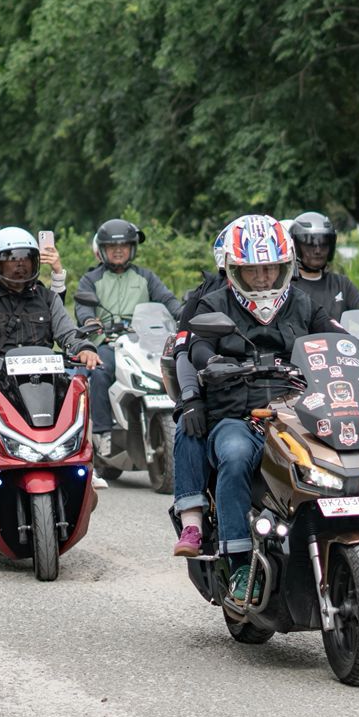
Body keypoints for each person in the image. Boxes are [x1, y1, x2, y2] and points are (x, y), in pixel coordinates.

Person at [173, 214, 340, 603]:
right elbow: (195, 347)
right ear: (234, 271)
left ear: (285, 267)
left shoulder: (303, 303)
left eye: (271, 268)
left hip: (299, 413)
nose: (263, 278)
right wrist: (208, 365)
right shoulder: (212, 304)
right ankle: (240, 562)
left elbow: (336, 334)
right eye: (253, 271)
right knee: (232, 455)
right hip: (240, 417)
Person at [0, 228, 101, 524]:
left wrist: (84, 349)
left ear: (35, 263)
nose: (19, 266)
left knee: (82, 411)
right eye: (10, 261)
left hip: (44, 385)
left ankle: (88, 481)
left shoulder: (47, 298)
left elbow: (68, 333)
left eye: (26, 260)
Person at [73, 219, 182, 456]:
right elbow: (83, 306)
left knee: (175, 367)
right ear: (103, 250)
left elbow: (167, 299)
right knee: (100, 371)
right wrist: (90, 321)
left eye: (124, 245)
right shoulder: (91, 279)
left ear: (132, 248)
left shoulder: (146, 277)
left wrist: (183, 313)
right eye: (113, 247)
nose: (119, 250)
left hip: (144, 342)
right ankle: (103, 434)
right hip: (109, 343)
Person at [166, 224, 231, 557]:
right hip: (218, 392)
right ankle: (193, 519)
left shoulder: (294, 298)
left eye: (270, 268)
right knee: (189, 427)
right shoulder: (206, 298)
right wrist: (191, 397)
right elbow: (185, 350)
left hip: (284, 394)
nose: (262, 275)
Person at [287, 211, 359, 315]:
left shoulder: (341, 284)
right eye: (310, 245)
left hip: (339, 332)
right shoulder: (287, 287)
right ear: (295, 247)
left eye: (323, 244)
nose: (318, 251)